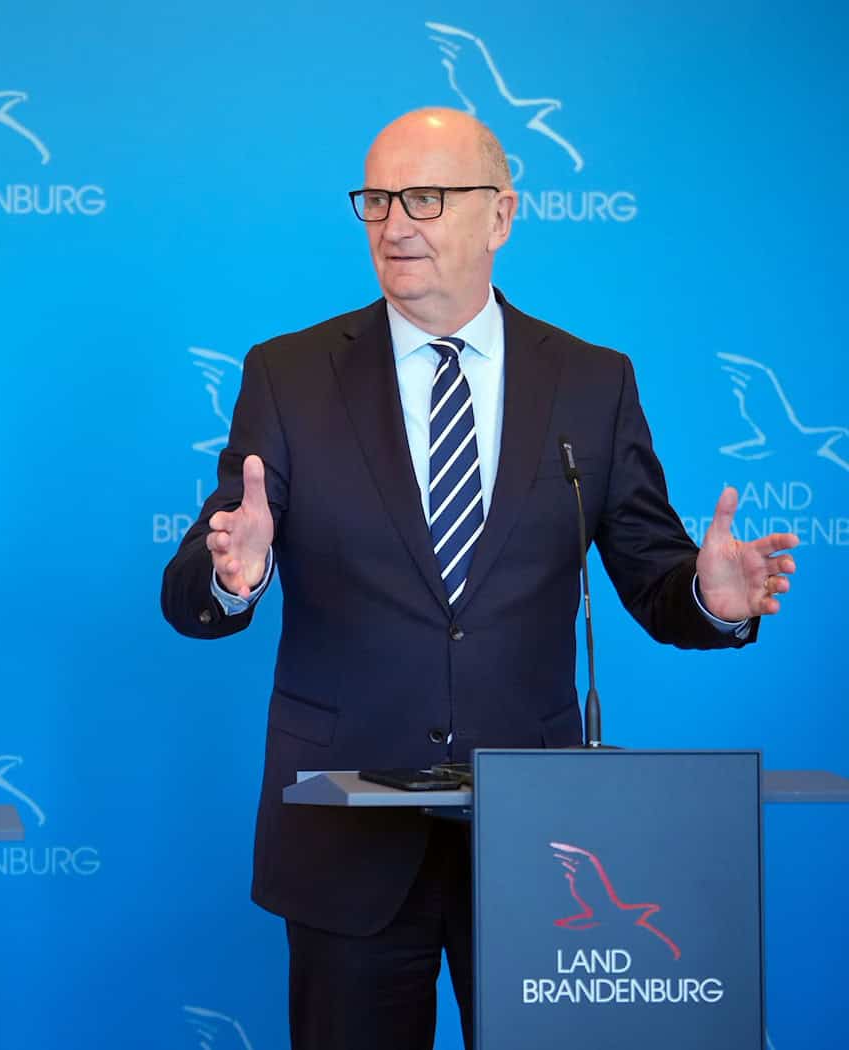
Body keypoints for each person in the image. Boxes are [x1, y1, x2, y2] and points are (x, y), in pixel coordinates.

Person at [160, 108, 798, 1050]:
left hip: (538, 838)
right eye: (375, 200)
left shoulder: (592, 381)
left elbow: (657, 580)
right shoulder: (290, 376)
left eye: (426, 197)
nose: (395, 224)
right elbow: (191, 593)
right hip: (349, 839)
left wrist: (713, 599)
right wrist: (235, 577)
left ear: (501, 215)